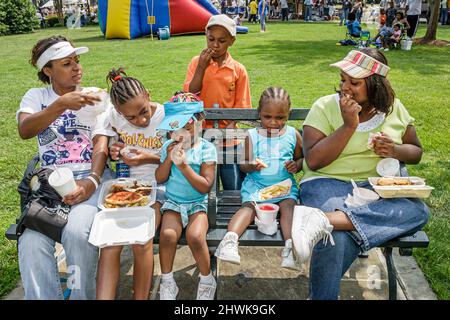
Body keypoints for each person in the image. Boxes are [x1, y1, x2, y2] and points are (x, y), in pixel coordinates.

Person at [293, 48, 429, 300]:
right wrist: (348, 125)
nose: (345, 87)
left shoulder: (394, 110)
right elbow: (314, 160)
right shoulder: (324, 106)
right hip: (326, 181)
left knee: (418, 211)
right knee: (334, 238)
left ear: (376, 84)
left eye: (354, 82)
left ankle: (322, 219)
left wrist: (395, 149)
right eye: (343, 79)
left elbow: (416, 152)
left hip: (375, 187)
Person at [16, 35, 112, 299]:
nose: (77, 68)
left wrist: (91, 181)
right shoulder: (37, 96)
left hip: (88, 178)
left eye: (77, 61)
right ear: (48, 71)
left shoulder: (95, 96)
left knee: (77, 233)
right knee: (31, 243)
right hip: (49, 185)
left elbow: (101, 142)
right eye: (67, 63)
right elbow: (25, 129)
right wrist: (60, 105)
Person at [92, 68, 166, 300]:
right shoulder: (113, 117)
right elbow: (115, 146)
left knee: (141, 239)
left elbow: (178, 158)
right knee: (109, 242)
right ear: (118, 112)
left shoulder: (165, 116)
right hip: (125, 187)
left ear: (148, 95)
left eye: (143, 112)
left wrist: (147, 157)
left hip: (159, 186)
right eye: (131, 118)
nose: (140, 120)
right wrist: (116, 150)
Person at [214, 87, 303, 270]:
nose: (273, 122)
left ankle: (289, 248)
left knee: (289, 207)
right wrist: (252, 165)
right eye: (267, 117)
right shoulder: (252, 136)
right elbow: (243, 164)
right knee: (248, 209)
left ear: (289, 114)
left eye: (280, 118)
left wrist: (296, 165)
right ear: (259, 114)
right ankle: (230, 241)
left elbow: (300, 158)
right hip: (256, 187)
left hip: (284, 189)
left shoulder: (293, 135)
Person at [155, 97, 218, 300]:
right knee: (167, 235)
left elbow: (206, 186)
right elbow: (160, 178)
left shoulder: (207, 149)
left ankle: (207, 279)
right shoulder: (168, 146)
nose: (182, 135)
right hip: (173, 202)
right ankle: (167, 281)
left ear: (201, 124)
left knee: (196, 236)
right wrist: (168, 158)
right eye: (177, 129)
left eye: (188, 129)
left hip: (198, 201)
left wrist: (183, 166)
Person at [183, 14, 251, 191]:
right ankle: (206, 216)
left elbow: (242, 106)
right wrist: (201, 68)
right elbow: (189, 96)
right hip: (201, 135)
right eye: (211, 39)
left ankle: (231, 213)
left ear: (231, 41)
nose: (215, 45)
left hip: (229, 138)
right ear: (205, 35)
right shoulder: (196, 63)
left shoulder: (238, 69)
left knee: (233, 184)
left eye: (222, 41)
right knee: (205, 183)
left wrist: (229, 129)